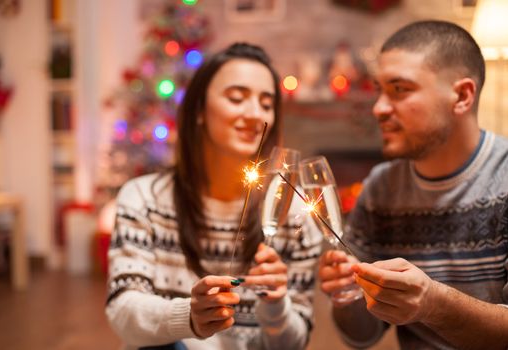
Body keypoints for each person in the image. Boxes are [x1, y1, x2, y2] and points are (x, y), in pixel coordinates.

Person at [106, 42, 321, 350]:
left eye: (266, 103)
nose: (255, 114)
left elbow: (294, 343)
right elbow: (123, 312)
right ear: (198, 112)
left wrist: (276, 306)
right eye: (236, 98)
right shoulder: (144, 198)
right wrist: (190, 317)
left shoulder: (294, 212)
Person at [318, 20, 508, 349]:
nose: (378, 108)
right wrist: (346, 294)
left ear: (462, 95)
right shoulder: (381, 187)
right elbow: (363, 336)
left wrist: (433, 303)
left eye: (400, 89)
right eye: (379, 90)